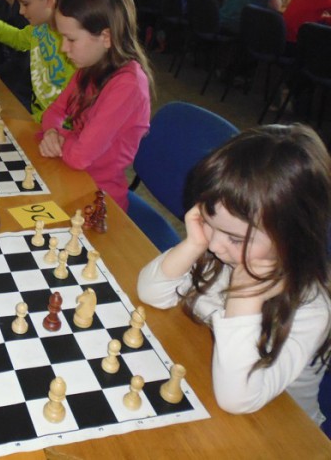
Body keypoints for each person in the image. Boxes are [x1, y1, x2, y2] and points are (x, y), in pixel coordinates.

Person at [137, 124, 331, 426]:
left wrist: (245, 296)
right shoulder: (224, 251)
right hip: (211, 385)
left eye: (235, 238)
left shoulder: (310, 309)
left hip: (281, 430)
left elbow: (236, 399)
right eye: (207, 221)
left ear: (291, 237)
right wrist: (192, 244)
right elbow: (150, 293)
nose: (214, 245)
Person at [38, 0, 152, 212]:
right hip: (70, 176)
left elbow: (80, 157)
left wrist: (60, 137)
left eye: (70, 39)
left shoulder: (128, 86)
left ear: (106, 37)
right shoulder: (90, 67)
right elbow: (54, 112)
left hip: (99, 199)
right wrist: (52, 132)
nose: (63, 48)